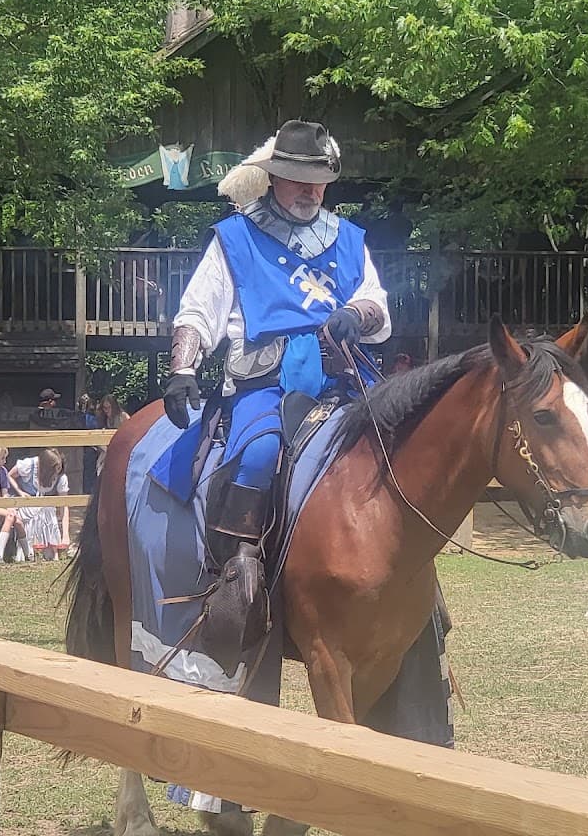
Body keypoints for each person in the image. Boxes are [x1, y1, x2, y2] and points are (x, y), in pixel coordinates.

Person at [164, 118, 391, 655]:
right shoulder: (235, 238)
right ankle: (236, 578)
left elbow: (379, 305)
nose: (311, 190)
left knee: (404, 443)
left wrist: (355, 315)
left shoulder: (349, 239)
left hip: (343, 377)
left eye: (318, 179)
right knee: (261, 453)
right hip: (264, 380)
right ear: (273, 178)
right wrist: (182, 370)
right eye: (298, 178)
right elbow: (198, 312)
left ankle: (415, 596)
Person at [8, 448, 70, 559]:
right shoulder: (29, 465)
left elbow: (64, 506)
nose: (57, 472)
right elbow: (10, 475)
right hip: (27, 509)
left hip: (46, 514)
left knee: (47, 509)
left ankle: (51, 549)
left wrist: (66, 534)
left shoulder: (61, 478)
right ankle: (28, 550)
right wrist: (20, 491)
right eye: (55, 469)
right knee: (38, 511)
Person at [95, 394, 130, 476]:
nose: (106, 410)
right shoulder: (106, 419)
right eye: (104, 408)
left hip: (122, 448)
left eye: (108, 408)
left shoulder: (123, 416)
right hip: (109, 448)